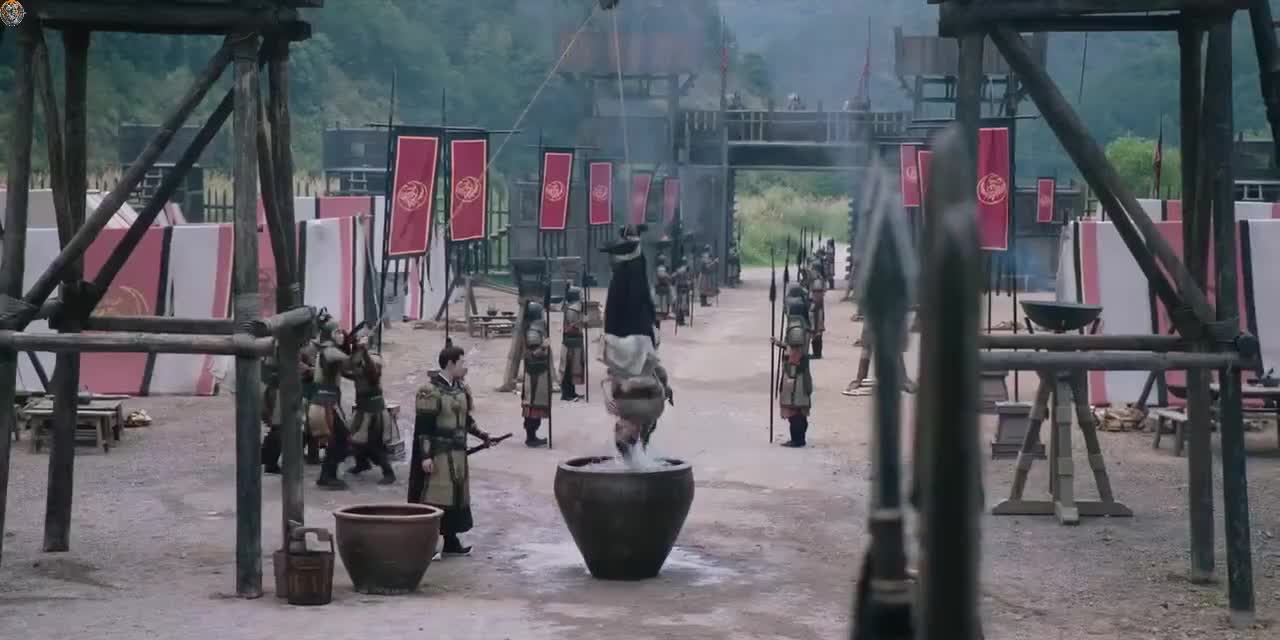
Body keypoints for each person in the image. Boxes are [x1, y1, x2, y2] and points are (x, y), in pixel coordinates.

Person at [409, 344, 500, 557]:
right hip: (439, 454)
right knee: (436, 497)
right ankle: (428, 544)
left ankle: (451, 541)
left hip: (458, 454)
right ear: (450, 364)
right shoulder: (430, 391)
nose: (464, 366)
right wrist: (425, 456)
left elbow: (466, 420)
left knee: (455, 497)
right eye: (461, 362)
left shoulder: (460, 389)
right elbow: (424, 429)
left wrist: (483, 436)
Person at [600, 224, 672, 460]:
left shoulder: (623, 406)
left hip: (626, 341)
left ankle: (630, 254)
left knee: (628, 293)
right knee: (634, 291)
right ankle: (631, 254)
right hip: (635, 341)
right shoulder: (645, 410)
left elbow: (610, 378)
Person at [344, 326, 398, 485]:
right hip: (362, 406)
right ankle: (361, 463)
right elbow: (349, 370)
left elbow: (373, 374)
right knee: (354, 439)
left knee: (375, 444)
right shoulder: (356, 357)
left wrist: (365, 352)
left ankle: (389, 473)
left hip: (374, 410)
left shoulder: (374, 357)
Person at [311, 324, 352, 490]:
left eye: (342, 332)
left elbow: (348, 369)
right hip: (326, 403)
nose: (341, 335)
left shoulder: (329, 350)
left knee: (338, 439)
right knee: (341, 439)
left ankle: (326, 475)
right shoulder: (329, 351)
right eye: (338, 332)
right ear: (329, 334)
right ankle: (328, 476)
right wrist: (358, 348)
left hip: (327, 401)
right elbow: (349, 363)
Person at [774, 321, 814, 447]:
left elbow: (792, 370)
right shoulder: (801, 347)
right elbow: (789, 348)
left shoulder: (796, 352)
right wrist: (779, 344)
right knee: (799, 414)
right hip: (801, 386)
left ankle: (797, 440)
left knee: (795, 414)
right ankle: (799, 439)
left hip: (796, 388)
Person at [521, 301, 552, 447]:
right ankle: (531, 437)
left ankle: (533, 436)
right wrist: (544, 347)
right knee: (533, 405)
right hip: (535, 375)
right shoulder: (533, 333)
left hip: (539, 373)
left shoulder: (537, 330)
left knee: (536, 405)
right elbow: (532, 354)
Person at [560, 286, 587, 402]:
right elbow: (572, 326)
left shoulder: (574, 308)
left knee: (574, 368)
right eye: (580, 295)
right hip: (571, 342)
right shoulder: (572, 310)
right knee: (568, 368)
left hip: (575, 341)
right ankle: (567, 394)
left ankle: (572, 392)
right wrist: (582, 322)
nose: (582, 297)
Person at [809, 263, 827, 359]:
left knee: (817, 331)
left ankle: (817, 353)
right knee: (815, 331)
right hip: (817, 309)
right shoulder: (816, 280)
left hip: (817, 310)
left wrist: (813, 307)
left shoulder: (817, 281)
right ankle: (816, 353)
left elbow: (817, 297)